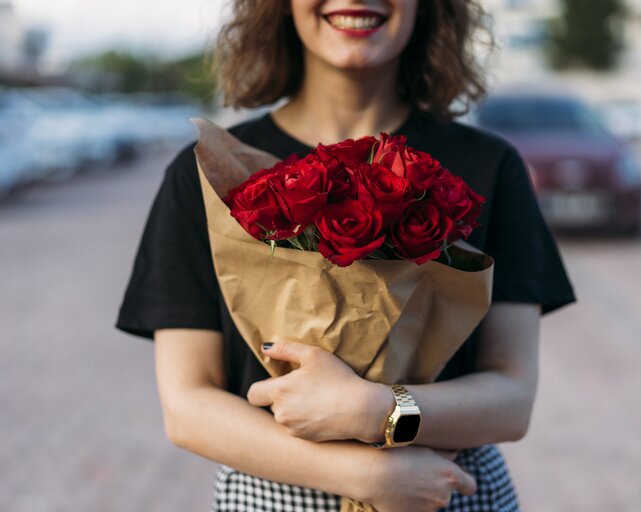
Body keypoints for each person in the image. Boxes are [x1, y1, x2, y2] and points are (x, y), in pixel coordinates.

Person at [115, 1, 577, 511]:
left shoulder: (491, 166)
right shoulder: (208, 173)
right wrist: (365, 474)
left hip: (445, 489)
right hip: (276, 490)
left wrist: (378, 410)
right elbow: (187, 406)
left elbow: (512, 400)